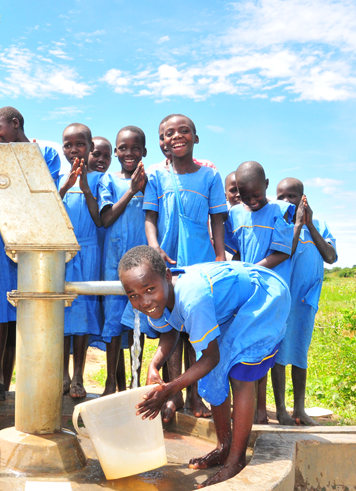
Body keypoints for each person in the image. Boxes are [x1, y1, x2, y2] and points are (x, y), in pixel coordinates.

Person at [120, 246, 289, 488]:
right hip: (229, 305)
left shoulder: (192, 298)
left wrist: (170, 389)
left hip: (260, 296)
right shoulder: (154, 302)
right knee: (214, 379)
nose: (144, 301)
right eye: (133, 295)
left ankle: (235, 461)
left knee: (239, 373)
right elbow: (169, 333)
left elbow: (211, 358)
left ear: (167, 277)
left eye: (149, 290)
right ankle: (223, 448)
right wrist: (153, 364)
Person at [143, 114, 227, 420]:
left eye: (184, 131)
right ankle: (173, 396)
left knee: (196, 332)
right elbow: (150, 216)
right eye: (168, 133)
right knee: (171, 329)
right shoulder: (156, 176)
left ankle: (194, 396)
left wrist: (219, 255)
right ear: (161, 142)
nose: (176, 136)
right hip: (166, 260)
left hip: (200, 262)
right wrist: (154, 249)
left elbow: (217, 218)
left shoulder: (210, 177)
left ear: (195, 137)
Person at [0, 106, 62, 400]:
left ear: (15, 124)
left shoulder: (47, 154)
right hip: (3, 236)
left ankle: (19, 376)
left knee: (25, 309)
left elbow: (46, 191)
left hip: (33, 239)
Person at [225, 160, 294, 424]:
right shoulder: (236, 213)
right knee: (242, 349)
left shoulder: (281, 212)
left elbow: (282, 251)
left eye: (256, 195)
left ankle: (261, 410)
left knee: (262, 351)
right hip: (245, 292)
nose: (252, 201)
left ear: (266, 185)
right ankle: (246, 408)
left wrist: (252, 270)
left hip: (270, 292)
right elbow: (236, 249)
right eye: (245, 196)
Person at [272, 178, 337, 425]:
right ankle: (280, 410)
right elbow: (285, 252)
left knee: (300, 352)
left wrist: (309, 224)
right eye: (282, 197)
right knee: (278, 353)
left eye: (292, 197)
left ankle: (299, 409)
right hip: (282, 299)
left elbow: (330, 256)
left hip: (305, 301)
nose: (287, 202)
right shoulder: (279, 224)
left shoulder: (319, 225)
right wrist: (298, 224)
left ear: (303, 199)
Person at [97, 127, 148, 396]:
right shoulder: (108, 181)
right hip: (114, 262)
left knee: (137, 324)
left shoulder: (152, 183)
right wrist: (131, 191)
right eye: (123, 148)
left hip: (143, 264)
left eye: (135, 148)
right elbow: (105, 219)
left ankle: (134, 382)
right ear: (116, 152)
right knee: (114, 323)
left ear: (144, 152)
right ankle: (109, 383)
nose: (129, 153)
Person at [59, 123, 103, 399]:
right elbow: (48, 211)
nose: (74, 150)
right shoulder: (57, 179)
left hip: (88, 253)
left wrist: (85, 188)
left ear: (90, 148)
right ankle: (62, 374)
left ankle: (78, 376)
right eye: (68, 144)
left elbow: (100, 219)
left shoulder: (100, 181)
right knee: (63, 317)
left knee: (83, 318)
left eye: (80, 144)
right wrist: (64, 187)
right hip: (63, 254)